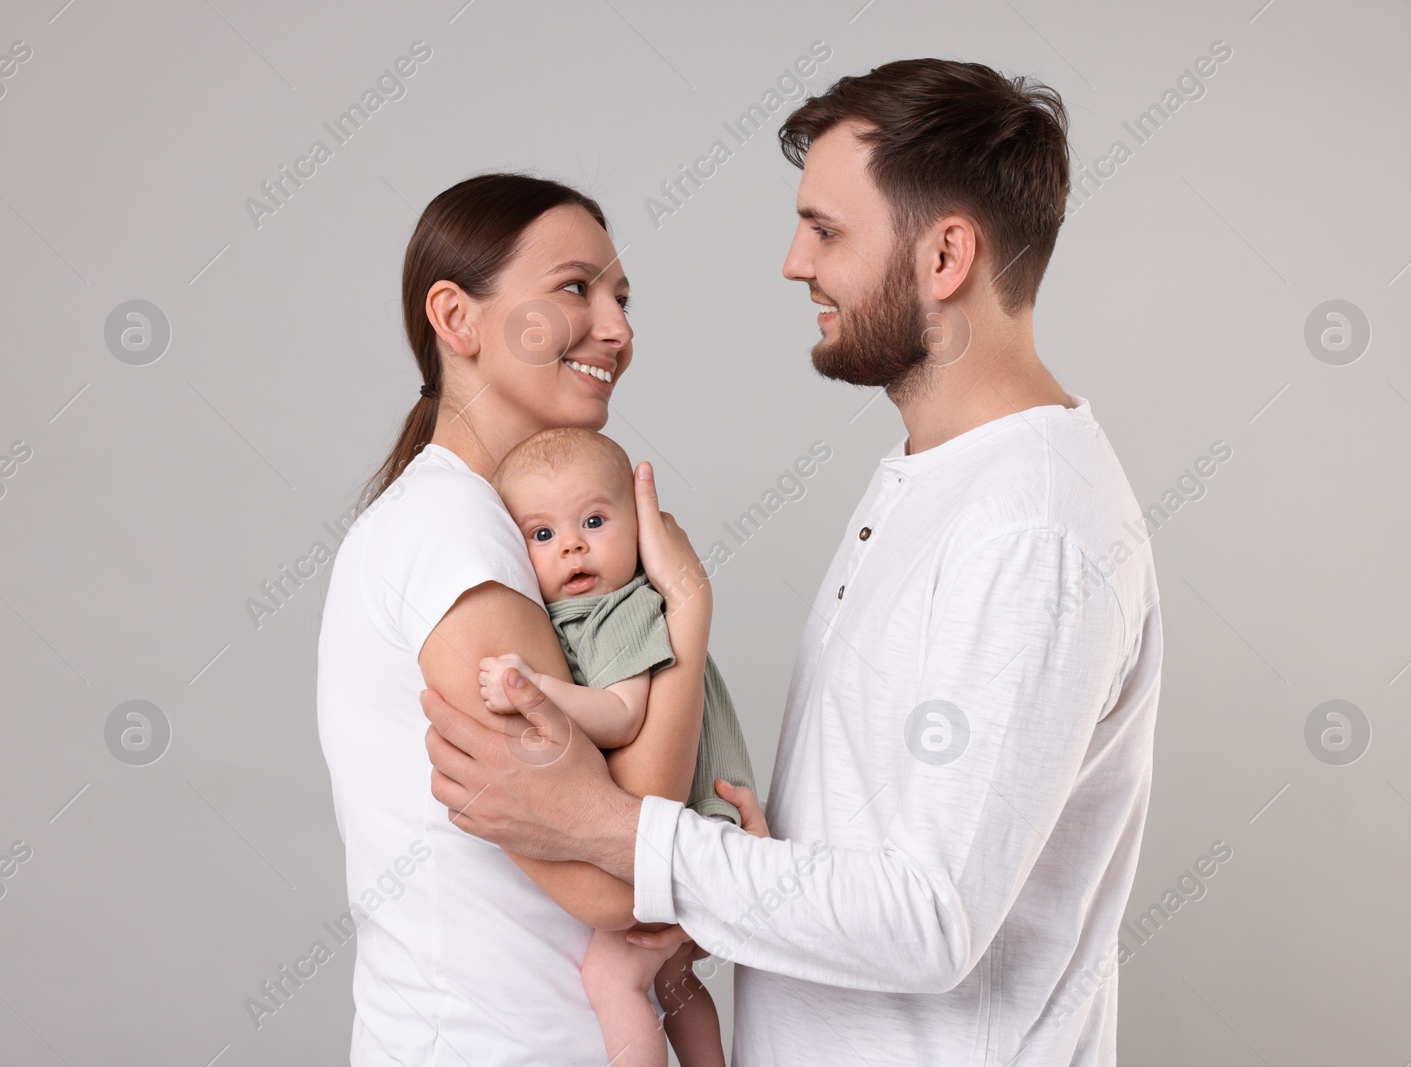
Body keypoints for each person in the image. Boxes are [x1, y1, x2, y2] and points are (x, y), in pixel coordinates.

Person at [423, 58, 1164, 1065]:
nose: (792, 261)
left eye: (826, 230)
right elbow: (896, 849)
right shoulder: (934, 478)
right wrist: (747, 879)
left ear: (945, 255)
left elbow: (931, 917)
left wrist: (613, 829)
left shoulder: (1029, 530)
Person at [316, 172, 742, 1066]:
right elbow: (614, 871)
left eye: (622, 298)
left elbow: (611, 831)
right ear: (457, 318)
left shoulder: (492, 531)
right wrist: (688, 613)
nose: (619, 329)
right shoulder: (455, 531)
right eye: (576, 288)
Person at [480, 425, 758, 1066]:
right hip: (697, 833)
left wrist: (535, 690)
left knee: (612, 977)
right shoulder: (570, 615)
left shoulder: (621, 610)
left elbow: (620, 716)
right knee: (674, 981)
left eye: (595, 520)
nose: (572, 545)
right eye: (542, 534)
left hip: (699, 833)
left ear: (640, 528)